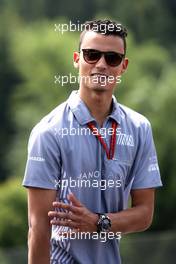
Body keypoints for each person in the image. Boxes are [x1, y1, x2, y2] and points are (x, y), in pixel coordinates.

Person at [22, 19, 162, 264]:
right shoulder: (48, 132)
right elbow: (38, 228)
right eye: (92, 55)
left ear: (123, 66)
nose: (101, 65)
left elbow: (145, 214)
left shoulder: (140, 129)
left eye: (112, 58)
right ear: (77, 59)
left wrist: (98, 222)